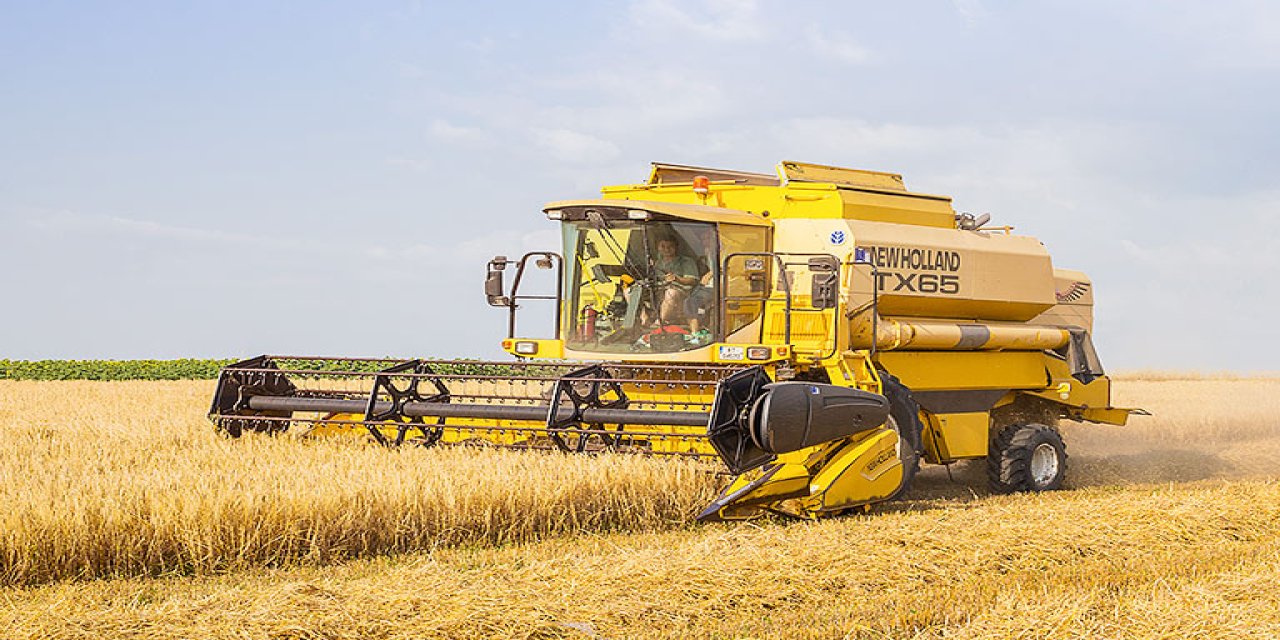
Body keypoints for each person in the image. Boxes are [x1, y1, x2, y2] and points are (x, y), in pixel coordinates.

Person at [651, 237, 698, 326]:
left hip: (681, 294)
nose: (666, 249)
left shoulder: (686, 261)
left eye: (670, 246)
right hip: (658, 291)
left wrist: (677, 279)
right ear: (658, 248)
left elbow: (692, 280)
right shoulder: (656, 263)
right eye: (663, 246)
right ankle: (643, 320)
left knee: (671, 293)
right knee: (631, 291)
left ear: (676, 247)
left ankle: (659, 323)